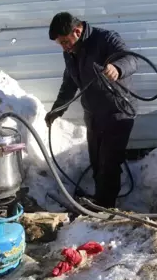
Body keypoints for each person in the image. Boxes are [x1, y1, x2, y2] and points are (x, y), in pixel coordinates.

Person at [45, 12, 138, 208]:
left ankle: (106, 208)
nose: (63, 47)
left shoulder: (105, 39)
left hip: (117, 112)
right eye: (60, 44)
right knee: (96, 162)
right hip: (94, 114)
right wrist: (57, 110)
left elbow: (130, 59)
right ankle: (100, 201)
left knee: (109, 164)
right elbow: (69, 83)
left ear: (77, 31)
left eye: (64, 42)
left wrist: (117, 68)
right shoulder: (70, 52)